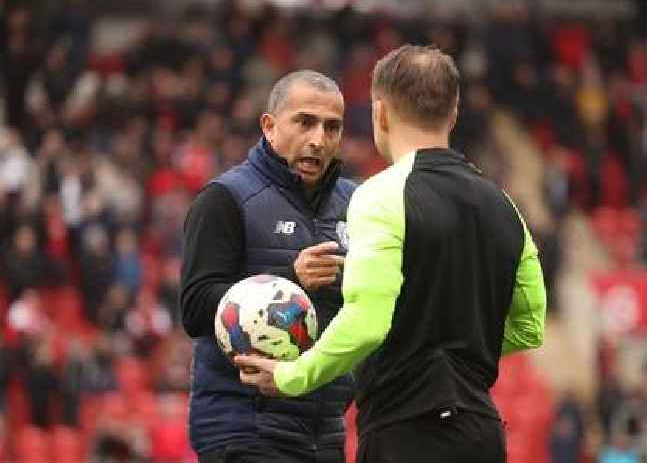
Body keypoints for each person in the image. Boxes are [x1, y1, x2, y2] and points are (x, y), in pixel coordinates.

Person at [235, 45, 547, 463]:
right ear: (453, 115)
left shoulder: (380, 196)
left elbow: (367, 325)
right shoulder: (505, 206)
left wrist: (293, 376)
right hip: (482, 434)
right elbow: (529, 326)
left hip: (407, 432)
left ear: (379, 112)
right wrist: (450, 346)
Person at [180, 70, 356, 463]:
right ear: (270, 126)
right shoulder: (224, 199)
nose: (318, 139)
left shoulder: (356, 205)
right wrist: (291, 280)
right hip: (244, 429)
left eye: (332, 127)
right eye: (305, 122)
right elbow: (194, 310)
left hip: (324, 432)